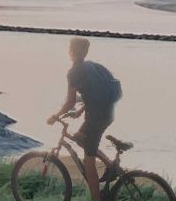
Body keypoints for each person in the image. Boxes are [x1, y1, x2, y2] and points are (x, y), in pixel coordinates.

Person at [47, 37, 122, 201]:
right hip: (107, 113)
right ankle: (110, 166)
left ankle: (97, 198)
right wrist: (80, 111)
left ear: (71, 52)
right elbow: (96, 95)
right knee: (81, 139)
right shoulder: (92, 66)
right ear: (85, 52)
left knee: (88, 161)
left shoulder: (73, 72)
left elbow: (70, 101)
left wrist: (55, 116)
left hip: (96, 117)